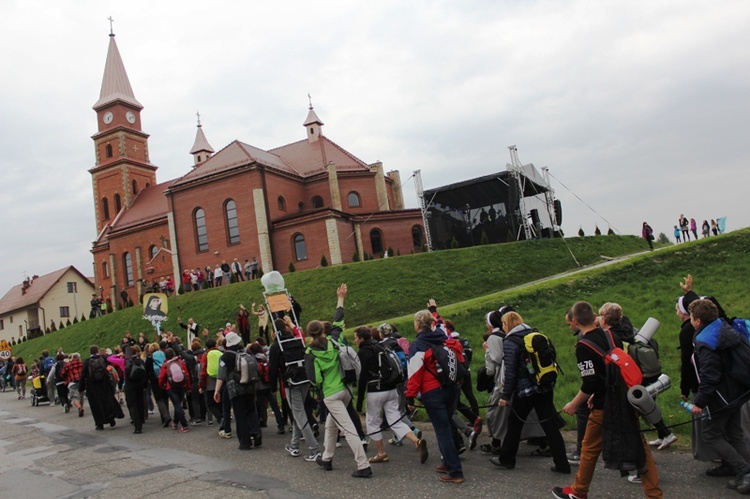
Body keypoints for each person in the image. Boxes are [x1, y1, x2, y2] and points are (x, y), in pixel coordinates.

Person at [552, 301, 662, 499]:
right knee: (640, 447)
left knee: (589, 448)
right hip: (624, 397)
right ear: (595, 316)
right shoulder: (611, 335)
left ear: (575, 322)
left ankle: (579, 490)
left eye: (570, 324)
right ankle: (654, 494)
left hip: (606, 406)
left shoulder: (583, 346)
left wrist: (574, 404)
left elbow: (590, 382)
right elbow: (611, 369)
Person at [490, 311, 569, 474]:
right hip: (544, 386)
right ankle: (562, 464)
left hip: (525, 391)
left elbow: (510, 372)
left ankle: (507, 460)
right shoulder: (536, 334)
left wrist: (505, 396)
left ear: (507, 325)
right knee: (550, 426)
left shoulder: (511, 341)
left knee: (514, 424)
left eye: (504, 325)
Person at [307, 284, 372, 478]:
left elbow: (315, 379)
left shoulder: (310, 353)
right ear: (322, 330)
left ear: (310, 334)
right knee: (331, 424)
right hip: (345, 389)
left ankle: (363, 465)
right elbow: (338, 320)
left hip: (330, 394)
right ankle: (326, 458)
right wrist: (340, 298)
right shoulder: (334, 340)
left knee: (348, 429)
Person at [689, 298, 750, 493]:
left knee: (711, 434)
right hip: (738, 390)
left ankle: (744, 470)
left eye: (692, 317)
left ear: (698, 321)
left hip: (721, 396)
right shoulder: (723, 327)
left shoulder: (705, 340)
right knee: (735, 433)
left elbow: (710, 375)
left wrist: (700, 402)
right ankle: (745, 474)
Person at [406, 306, 465, 484]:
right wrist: (435, 311)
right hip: (450, 387)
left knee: (442, 430)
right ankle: (447, 462)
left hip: (432, 391)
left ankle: (455, 471)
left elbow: (415, 374)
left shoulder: (418, 345)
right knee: (446, 424)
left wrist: (409, 396)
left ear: (417, 325)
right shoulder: (443, 338)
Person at [354, 326, 428, 464]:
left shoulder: (364, 351)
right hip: (391, 388)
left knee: (372, 422)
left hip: (375, 390)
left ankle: (381, 453)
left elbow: (363, 377)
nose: (355, 340)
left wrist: (359, 402)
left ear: (361, 338)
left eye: (356, 337)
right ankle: (416, 441)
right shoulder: (381, 346)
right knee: (395, 419)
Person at [269, 316, 321, 459]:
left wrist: (272, 388)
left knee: (299, 414)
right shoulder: (297, 340)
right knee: (300, 412)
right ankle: (294, 445)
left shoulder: (277, 346)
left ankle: (314, 449)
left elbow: (273, 369)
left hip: (290, 382)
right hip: (304, 378)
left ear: (274, 332)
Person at [214, 332, 262, 449]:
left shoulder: (225, 357)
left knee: (240, 415)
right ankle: (256, 433)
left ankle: (245, 442)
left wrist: (217, 391)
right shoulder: (246, 352)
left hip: (235, 389)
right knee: (251, 411)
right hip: (250, 386)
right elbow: (256, 367)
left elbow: (221, 375)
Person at [79, 345, 124, 430]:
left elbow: (83, 375)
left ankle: (100, 423)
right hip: (104, 384)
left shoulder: (87, 362)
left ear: (90, 352)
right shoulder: (103, 359)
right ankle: (111, 418)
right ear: (98, 351)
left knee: (96, 405)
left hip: (92, 386)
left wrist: (81, 388)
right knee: (108, 401)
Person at [159, 348, 191, 433]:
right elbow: (186, 375)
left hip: (171, 386)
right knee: (179, 404)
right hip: (182, 385)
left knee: (177, 405)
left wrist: (162, 386)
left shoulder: (165, 365)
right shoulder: (180, 362)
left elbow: (161, 378)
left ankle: (184, 425)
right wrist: (188, 387)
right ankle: (176, 422)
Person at [124, 345, 147, 433]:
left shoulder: (128, 361)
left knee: (133, 405)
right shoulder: (139, 360)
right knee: (140, 402)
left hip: (130, 385)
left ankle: (137, 426)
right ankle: (142, 419)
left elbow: (127, 372)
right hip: (139, 384)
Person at [61, 352, 85, 417]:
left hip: (72, 382)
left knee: (74, 397)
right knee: (81, 396)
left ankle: (79, 407)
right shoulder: (82, 363)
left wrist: (66, 378)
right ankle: (81, 407)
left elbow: (62, 373)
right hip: (81, 382)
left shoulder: (68, 365)